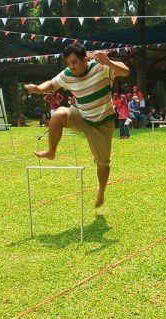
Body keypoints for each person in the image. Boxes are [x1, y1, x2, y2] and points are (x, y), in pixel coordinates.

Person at [24, 43, 129, 208]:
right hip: (81, 115)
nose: (71, 67)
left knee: (103, 164)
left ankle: (101, 189)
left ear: (85, 59)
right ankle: (51, 152)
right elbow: (52, 85)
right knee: (58, 114)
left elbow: (125, 71)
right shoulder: (67, 75)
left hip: (102, 123)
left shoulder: (101, 67)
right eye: (68, 63)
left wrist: (109, 62)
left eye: (74, 62)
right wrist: (38, 88)